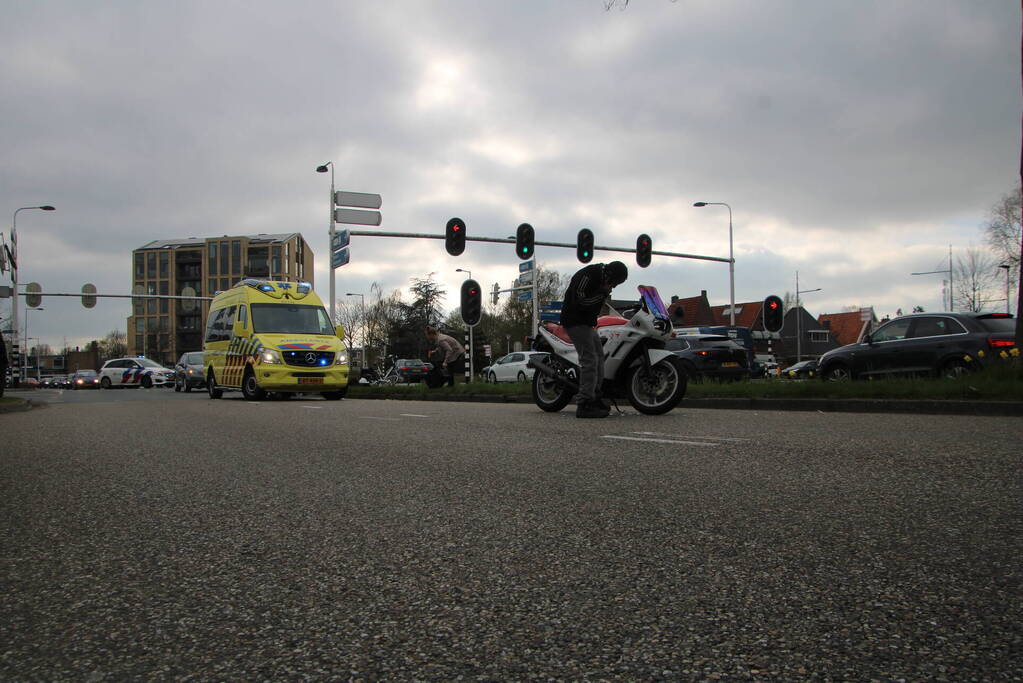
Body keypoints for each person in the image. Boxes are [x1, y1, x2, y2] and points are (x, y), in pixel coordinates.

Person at [559, 260, 629, 418]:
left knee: (599, 357)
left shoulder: (603, 280)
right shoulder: (589, 275)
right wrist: (602, 294)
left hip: (586, 323)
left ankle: (594, 396)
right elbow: (580, 300)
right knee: (589, 359)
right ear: (609, 275)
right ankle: (584, 403)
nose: (614, 287)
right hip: (574, 321)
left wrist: (602, 293)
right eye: (615, 283)